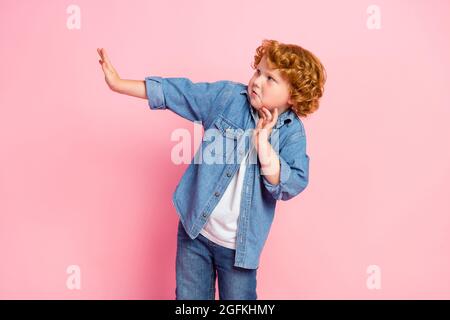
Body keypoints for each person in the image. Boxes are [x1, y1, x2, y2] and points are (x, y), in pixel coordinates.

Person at [97, 39, 326, 300]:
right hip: (195, 233)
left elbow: (291, 184)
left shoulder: (292, 133)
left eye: (270, 79)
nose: (257, 81)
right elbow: (180, 92)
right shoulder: (228, 98)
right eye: (257, 72)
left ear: (293, 95)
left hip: (238, 251)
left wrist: (263, 145)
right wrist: (119, 84)